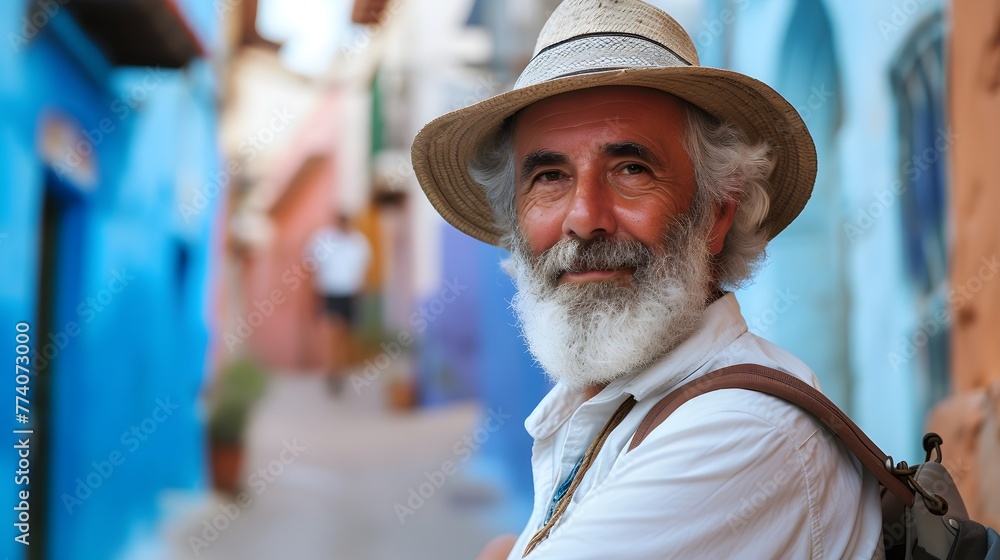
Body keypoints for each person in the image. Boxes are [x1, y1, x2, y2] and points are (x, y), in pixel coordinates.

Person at [411, 0, 883, 558]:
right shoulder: (610, 408)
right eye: (549, 176)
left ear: (716, 212)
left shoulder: (739, 432)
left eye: (631, 169)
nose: (584, 217)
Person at [307, 213, 371, 393]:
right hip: (330, 293)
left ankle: (338, 372)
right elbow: (311, 267)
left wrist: (361, 296)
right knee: (330, 333)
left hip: (349, 295)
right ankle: (331, 372)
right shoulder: (323, 239)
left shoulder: (359, 242)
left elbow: (363, 272)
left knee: (344, 337)